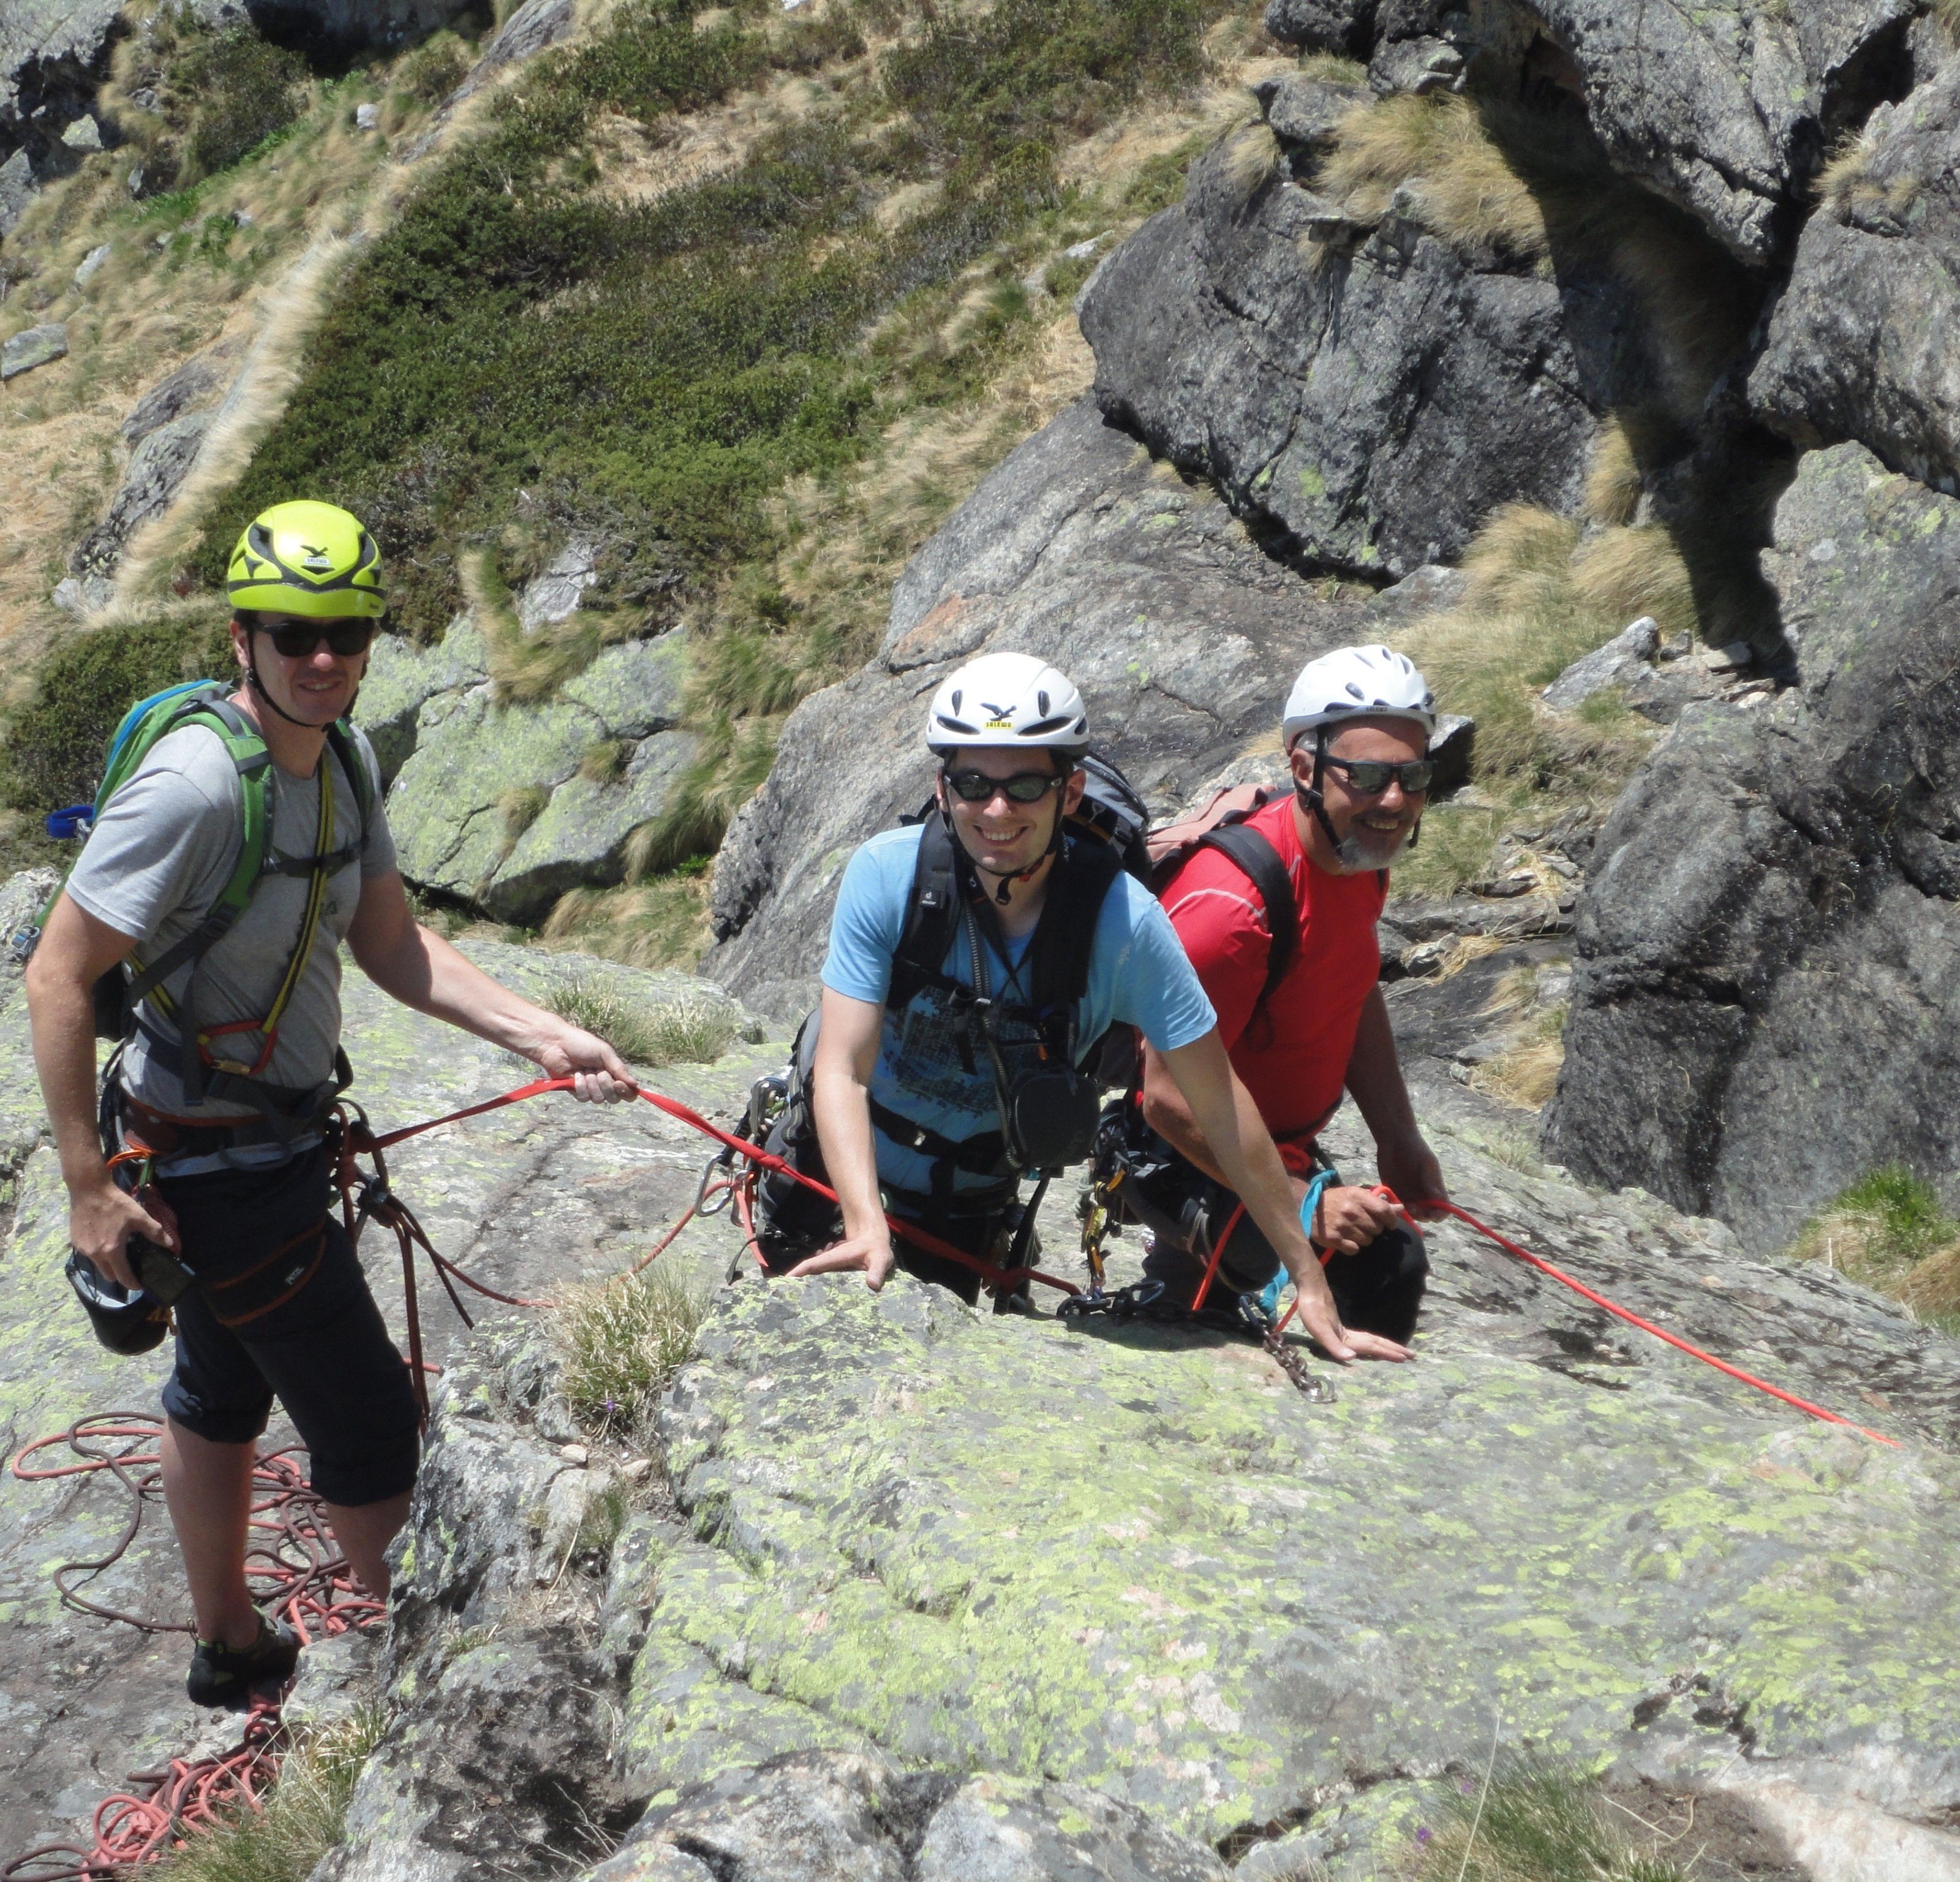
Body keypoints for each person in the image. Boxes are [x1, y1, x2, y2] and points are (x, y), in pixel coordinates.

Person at [24, 501, 632, 1711]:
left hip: (268, 1149)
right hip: (218, 1171)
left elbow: (395, 948)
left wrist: (544, 1033)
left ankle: (230, 1647)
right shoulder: (197, 787)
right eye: (295, 634)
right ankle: (442, 1705)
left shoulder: (346, 762)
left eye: (347, 635)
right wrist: (88, 1190)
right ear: (243, 636)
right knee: (366, 1429)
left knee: (218, 1388)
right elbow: (55, 970)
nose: (323, 660)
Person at [753, 648, 1409, 1367]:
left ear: (1070, 793)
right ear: (942, 790)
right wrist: (864, 1224)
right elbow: (841, 1069)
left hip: (964, 1208)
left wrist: (1307, 1277)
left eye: (1026, 785)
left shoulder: (1123, 926)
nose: (996, 810)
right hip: (828, 1179)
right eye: (972, 783)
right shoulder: (886, 875)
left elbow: (1219, 1104)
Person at [1120, 644, 1448, 1339]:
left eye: (1412, 775)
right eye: (1365, 776)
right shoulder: (1230, 909)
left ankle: (1187, 1294)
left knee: (1379, 1258)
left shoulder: (1358, 855)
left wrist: (1399, 1139)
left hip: (1271, 1146)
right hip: (1181, 1156)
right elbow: (1167, 1097)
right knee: (1384, 1266)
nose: (1393, 801)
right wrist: (1302, 1205)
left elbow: (1350, 989)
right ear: (1304, 769)